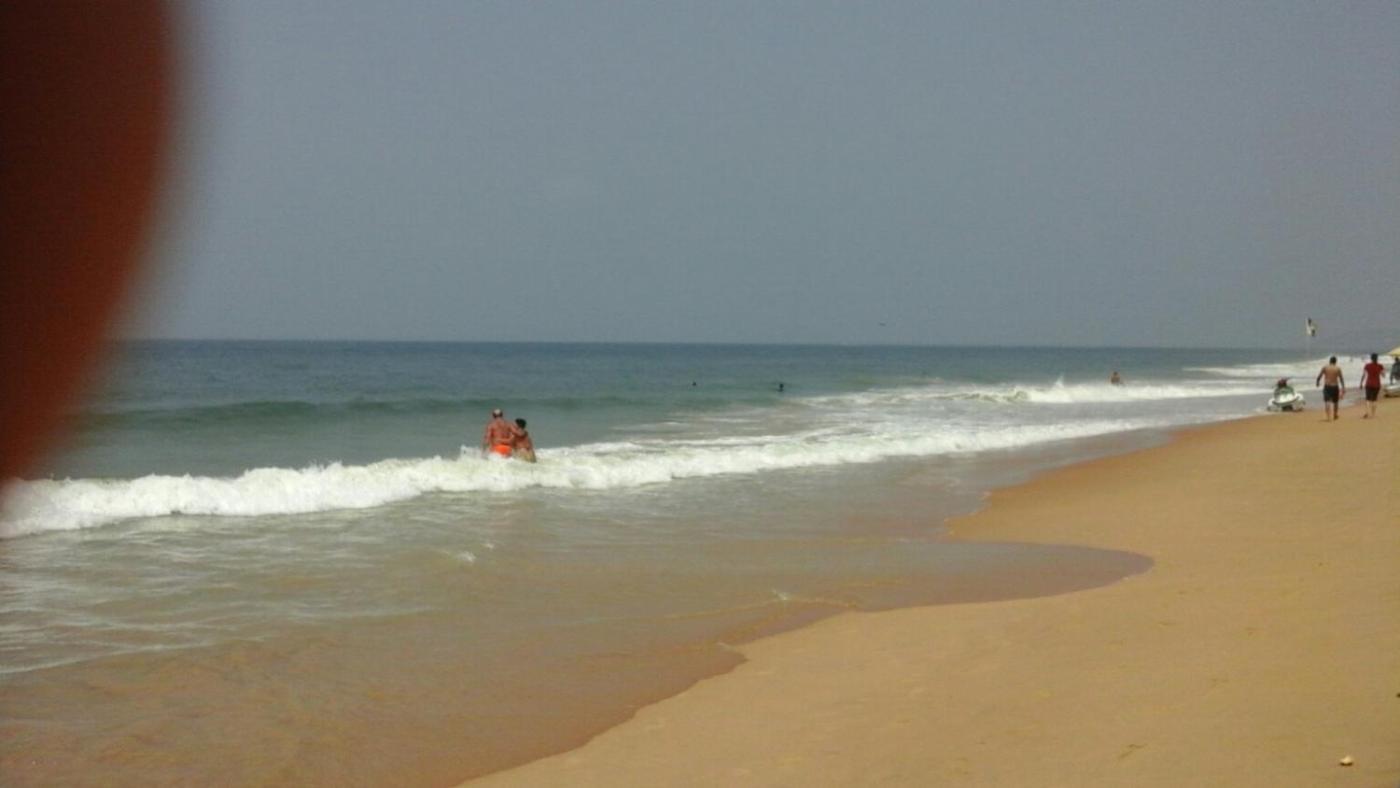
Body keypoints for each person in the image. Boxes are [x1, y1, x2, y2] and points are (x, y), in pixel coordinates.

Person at [1314, 356, 1346, 421]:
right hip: (1335, 386)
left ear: (1330, 361)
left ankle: (1328, 417)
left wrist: (1317, 382)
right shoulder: (1338, 368)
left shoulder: (1325, 367)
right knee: (1336, 402)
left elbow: (1319, 376)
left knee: (1327, 401)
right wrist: (1343, 387)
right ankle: (1335, 415)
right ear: (1335, 362)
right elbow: (1341, 379)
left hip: (1327, 386)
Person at [1359, 353, 1384, 419]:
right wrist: (1381, 372)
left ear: (1371, 358)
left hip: (1369, 384)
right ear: (1377, 358)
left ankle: (1367, 413)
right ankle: (1373, 415)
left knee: (1368, 399)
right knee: (1374, 399)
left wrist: (1361, 383)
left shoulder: (1367, 365)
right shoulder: (1380, 366)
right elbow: (1383, 375)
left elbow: (1364, 375)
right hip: (1377, 384)